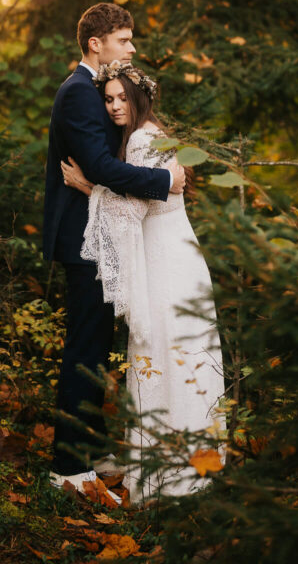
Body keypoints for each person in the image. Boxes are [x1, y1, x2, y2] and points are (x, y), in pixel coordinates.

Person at [61, 60, 225, 503]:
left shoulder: (140, 139)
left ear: (140, 99)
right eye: (108, 99)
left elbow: (132, 211)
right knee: (184, 356)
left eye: (121, 98)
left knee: (164, 356)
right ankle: (194, 469)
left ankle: (167, 480)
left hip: (166, 263)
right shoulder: (155, 135)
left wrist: (85, 187)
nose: (114, 107)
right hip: (178, 258)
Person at [43, 4, 186, 497]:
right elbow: (101, 166)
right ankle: (68, 466)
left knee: (97, 346)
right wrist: (165, 180)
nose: (130, 48)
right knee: (86, 346)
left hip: (99, 231)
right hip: (84, 239)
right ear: (95, 44)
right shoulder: (79, 92)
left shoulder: (88, 91)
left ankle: (91, 448)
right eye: (123, 40)